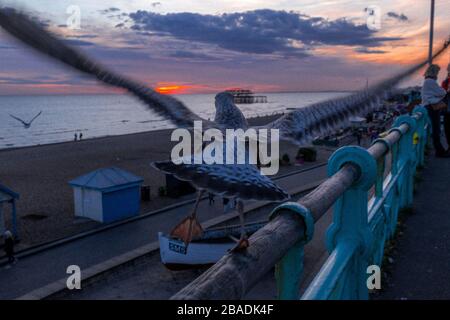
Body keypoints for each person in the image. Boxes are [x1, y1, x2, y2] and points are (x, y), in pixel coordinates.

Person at [421, 64, 449, 157]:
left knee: (435, 129)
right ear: (433, 72)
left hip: (429, 107)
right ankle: (439, 151)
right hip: (432, 107)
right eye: (437, 71)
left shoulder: (427, 81)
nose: (438, 74)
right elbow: (443, 92)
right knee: (436, 129)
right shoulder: (431, 82)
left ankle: (440, 150)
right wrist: (440, 93)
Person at [441, 63, 450, 150]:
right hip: (447, 110)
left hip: (447, 109)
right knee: (447, 129)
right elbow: (442, 93)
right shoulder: (445, 82)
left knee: (447, 129)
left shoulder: (445, 81)